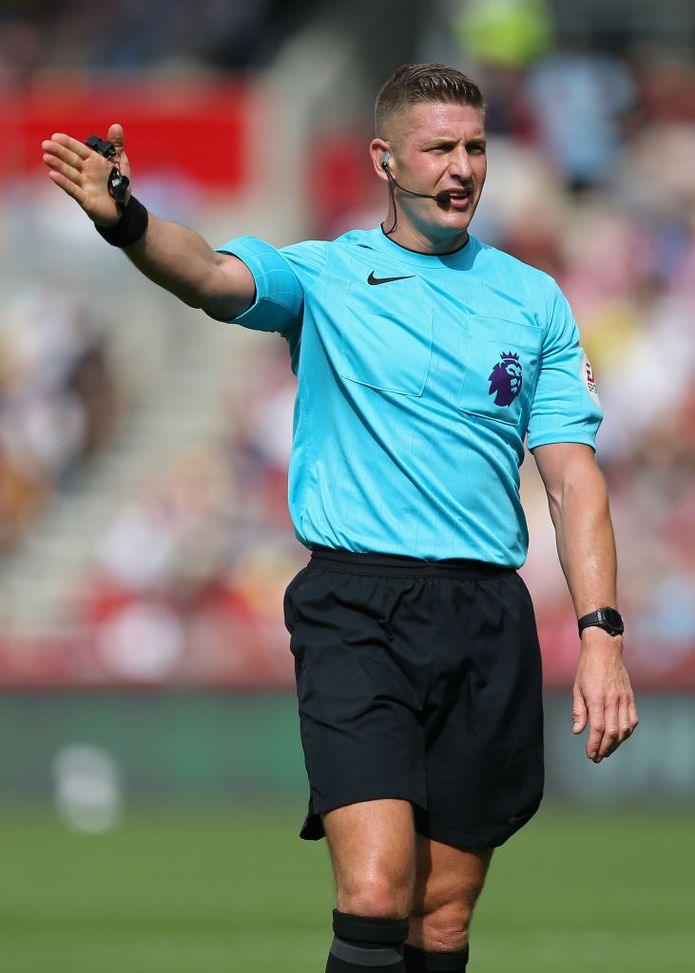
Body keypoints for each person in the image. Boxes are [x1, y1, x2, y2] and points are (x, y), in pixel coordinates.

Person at [42, 63, 639, 973]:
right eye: (438, 147)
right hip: (355, 606)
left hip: (484, 616)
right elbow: (206, 272)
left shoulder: (535, 301)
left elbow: (572, 480)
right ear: (384, 159)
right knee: (372, 891)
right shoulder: (323, 275)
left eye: (474, 147)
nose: (461, 167)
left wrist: (600, 633)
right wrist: (126, 220)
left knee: (440, 917)